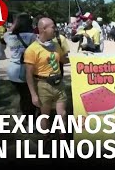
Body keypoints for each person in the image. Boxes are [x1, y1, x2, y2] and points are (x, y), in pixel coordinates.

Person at [24, 17, 68, 146]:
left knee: (63, 113)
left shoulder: (55, 45)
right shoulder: (32, 49)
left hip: (59, 84)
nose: (55, 29)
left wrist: (83, 58)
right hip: (43, 85)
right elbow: (28, 74)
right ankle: (46, 138)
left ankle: (62, 138)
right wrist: (33, 94)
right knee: (45, 116)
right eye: (53, 27)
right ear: (43, 29)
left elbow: (64, 60)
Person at [4, 13, 38, 117]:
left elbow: (6, 34)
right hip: (26, 69)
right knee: (28, 96)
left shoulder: (8, 36)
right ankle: (30, 119)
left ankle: (27, 116)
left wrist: (13, 27)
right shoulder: (32, 36)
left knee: (23, 95)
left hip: (13, 69)